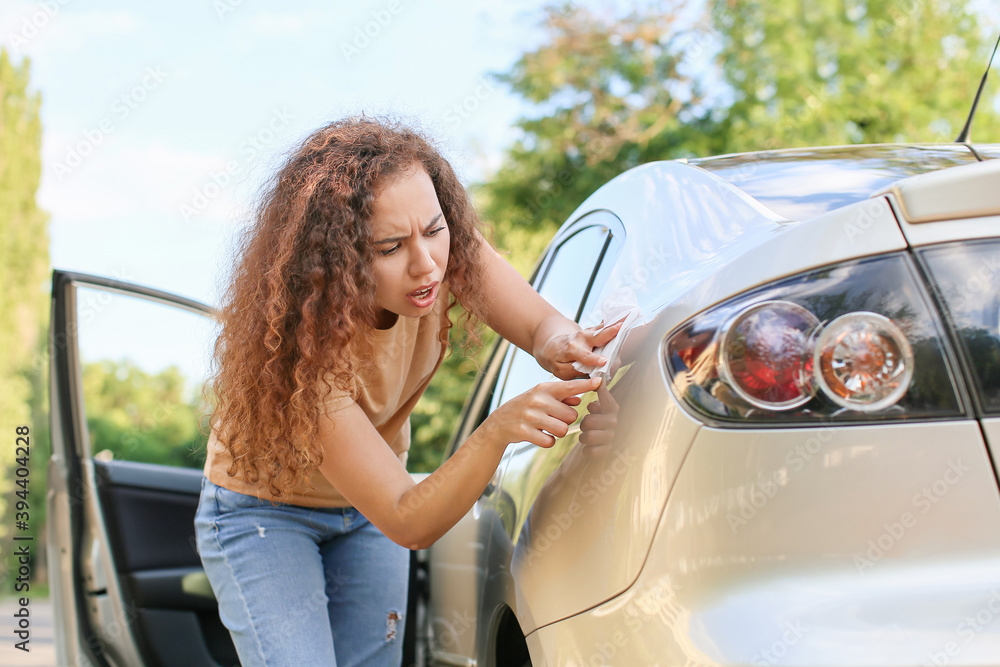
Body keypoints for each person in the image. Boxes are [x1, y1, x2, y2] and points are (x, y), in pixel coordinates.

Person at [193, 116, 622, 667]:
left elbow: (543, 328)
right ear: (335, 262)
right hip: (263, 513)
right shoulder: (301, 355)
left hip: (366, 514)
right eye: (389, 247)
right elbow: (407, 518)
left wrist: (568, 344)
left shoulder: (445, 257)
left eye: (435, 229)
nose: (425, 264)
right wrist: (497, 431)